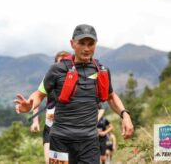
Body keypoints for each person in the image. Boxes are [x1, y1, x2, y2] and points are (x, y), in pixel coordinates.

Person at [14, 24, 134, 164]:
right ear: (72, 43)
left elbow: (111, 97)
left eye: (90, 44)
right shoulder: (57, 70)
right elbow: (39, 94)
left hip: (90, 142)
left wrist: (125, 115)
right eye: (81, 43)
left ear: (96, 44)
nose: (86, 48)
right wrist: (29, 105)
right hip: (60, 141)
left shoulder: (102, 71)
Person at [30, 50, 71, 164]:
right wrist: (35, 121)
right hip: (50, 128)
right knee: (49, 161)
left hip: (69, 129)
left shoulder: (75, 81)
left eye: (65, 62)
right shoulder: (50, 79)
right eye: (59, 63)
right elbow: (37, 99)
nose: (62, 66)